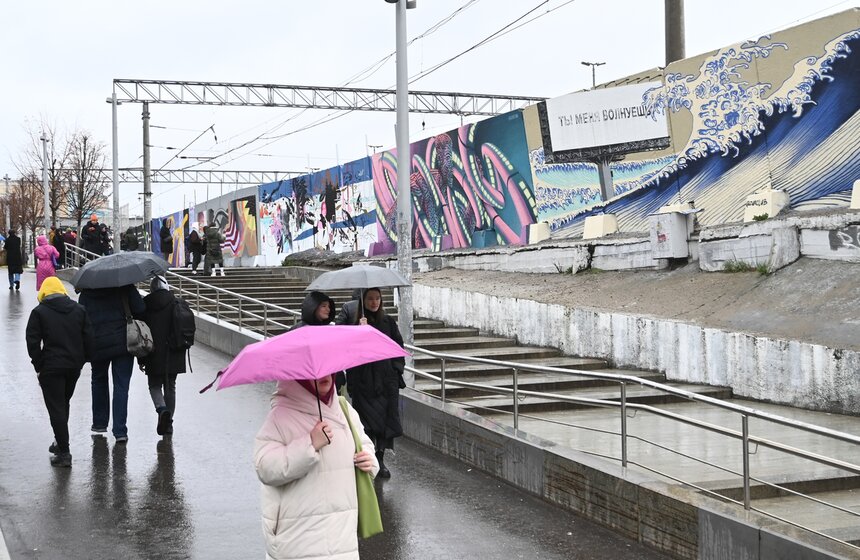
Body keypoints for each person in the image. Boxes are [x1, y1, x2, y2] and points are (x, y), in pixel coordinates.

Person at [254, 374, 379, 560]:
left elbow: (364, 444)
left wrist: (369, 460)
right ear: (299, 376)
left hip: (342, 540)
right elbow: (265, 467)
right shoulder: (280, 416)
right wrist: (309, 444)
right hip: (298, 540)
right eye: (313, 373)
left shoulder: (345, 411)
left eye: (328, 369)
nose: (324, 375)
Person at [25, 277, 94, 467]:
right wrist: (82, 360)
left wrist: (39, 365)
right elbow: (89, 337)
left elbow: (32, 342)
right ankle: (59, 442)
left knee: (56, 408)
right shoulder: (79, 310)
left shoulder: (39, 312)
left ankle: (64, 452)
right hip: (73, 366)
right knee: (62, 404)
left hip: (51, 367)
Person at [344, 287, 405, 479]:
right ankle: (368, 458)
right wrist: (360, 332)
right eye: (370, 299)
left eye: (378, 298)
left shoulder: (387, 322)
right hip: (364, 383)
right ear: (363, 301)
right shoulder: (356, 325)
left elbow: (398, 347)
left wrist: (395, 370)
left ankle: (381, 457)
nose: (374, 302)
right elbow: (350, 353)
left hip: (386, 382)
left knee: (386, 422)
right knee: (366, 423)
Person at [78, 283, 145, 443]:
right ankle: (120, 430)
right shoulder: (124, 286)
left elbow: (81, 317)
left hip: (97, 343)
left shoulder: (87, 291)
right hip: (122, 343)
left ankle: (100, 424)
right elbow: (141, 309)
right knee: (121, 386)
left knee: (99, 381)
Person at [139, 276, 186, 436]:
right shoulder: (176, 302)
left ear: (152, 289)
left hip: (153, 353)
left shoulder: (146, 305)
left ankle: (161, 409)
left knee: (154, 385)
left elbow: (142, 333)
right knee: (170, 386)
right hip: (174, 352)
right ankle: (169, 423)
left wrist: (141, 358)